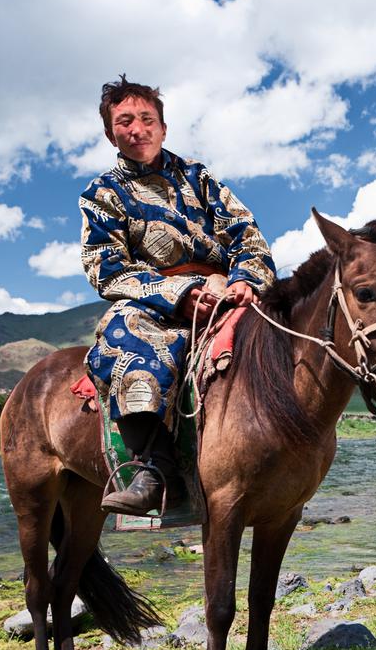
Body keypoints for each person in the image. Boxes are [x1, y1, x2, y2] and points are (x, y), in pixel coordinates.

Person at [80, 76, 276, 516]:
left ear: (163, 128)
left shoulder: (199, 178)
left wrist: (244, 278)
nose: (137, 129)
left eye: (147, 119)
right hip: (151, 302)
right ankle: (154, 471)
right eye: (124, 122)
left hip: (224, 290)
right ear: (111, 133)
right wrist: (179, 294)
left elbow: (246, 233)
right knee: (126, 339)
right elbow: (105, 266)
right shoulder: (101, 194)